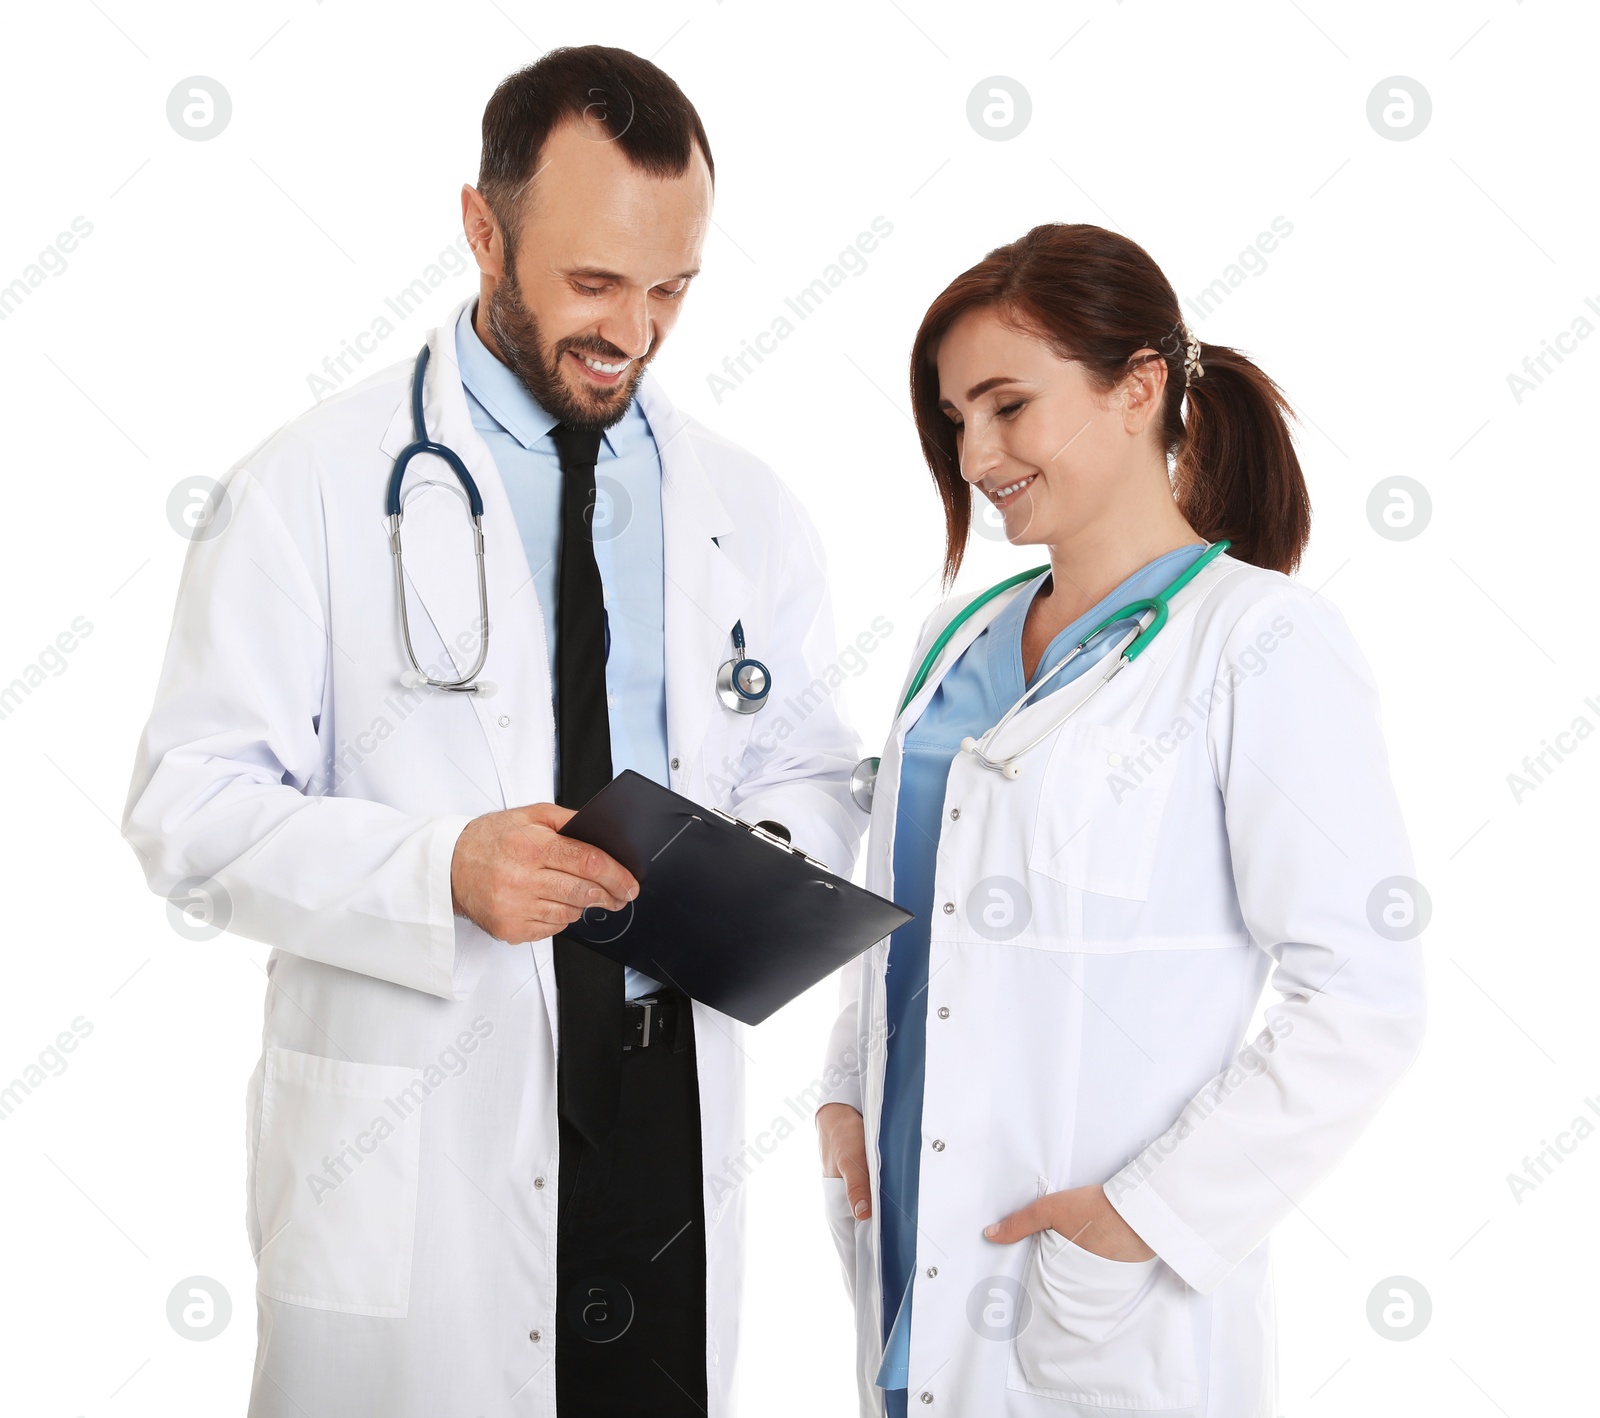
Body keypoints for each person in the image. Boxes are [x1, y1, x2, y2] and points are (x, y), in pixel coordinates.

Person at [124, 46, 862, 1418]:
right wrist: (435, 870)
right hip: (421, 1121)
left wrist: (744, 863)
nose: (632, 332)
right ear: (481, 227)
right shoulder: (311, 488)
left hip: (668, 1105)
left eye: (670, 290)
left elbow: (814, 773)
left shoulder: (743, 507)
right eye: (592, 284)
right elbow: (187, 808)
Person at [815, 223, 1426, 1415]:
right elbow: (908, 909)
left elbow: (1364, 996)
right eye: (953, 417)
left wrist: (1131, 1226)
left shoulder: (1258, 641)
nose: (975, 451)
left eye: (1007, 404)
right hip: (911, 1267)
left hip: (1094, 1314)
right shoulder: (960, 642)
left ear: (1139, 386)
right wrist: (843, 1086)